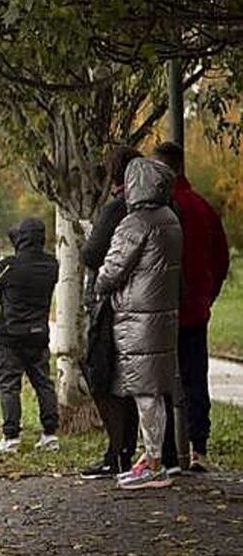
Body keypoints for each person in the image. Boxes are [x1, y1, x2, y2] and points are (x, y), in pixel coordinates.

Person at [95, 157, 182, 490]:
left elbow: (112, 269)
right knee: (156, 392)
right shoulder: (170, 218)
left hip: (138, 318)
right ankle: (154, 457)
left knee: (144, 392)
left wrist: (100, 284)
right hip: (162, 315)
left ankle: (152, 463)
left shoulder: (135, 223)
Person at [154, 141, 231, 472]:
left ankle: (168, 451)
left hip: (164, 309)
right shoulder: (202, 207)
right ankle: (198, 447)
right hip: (197, 308)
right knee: (196, 378)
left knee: (162, 381)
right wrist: (207, 294)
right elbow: (222, 258)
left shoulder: (162, 210)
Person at [80, 146, 143, 479]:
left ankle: (117, 453)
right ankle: (136, 452)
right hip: (146, 308)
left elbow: (92, 255)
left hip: (110, 306)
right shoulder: (162, 209)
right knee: (139, 384)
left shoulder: (117, 210)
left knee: (104, 378)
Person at [0, 218, 60, 453]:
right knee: (44, 384)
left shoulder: (10, 266)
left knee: (9, 386)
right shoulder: (51, 264)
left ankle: (11, 437)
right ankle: (50, 434)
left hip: (11, 336)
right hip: (39, 334)